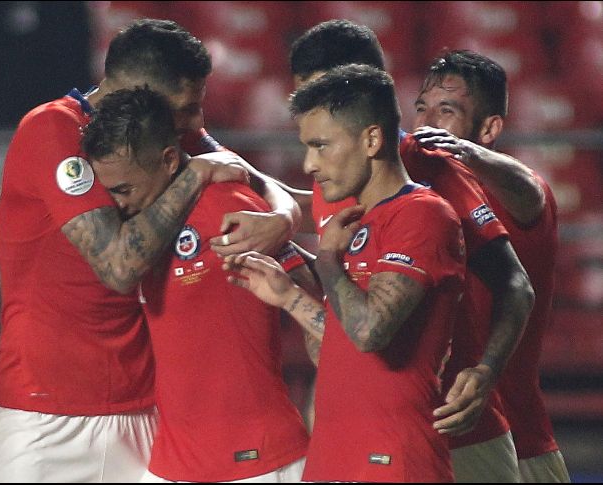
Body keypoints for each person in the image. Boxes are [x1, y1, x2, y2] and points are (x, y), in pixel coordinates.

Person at [0, 19, 298, 483]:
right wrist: (195, 175)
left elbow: (261, 183)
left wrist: (284, 220)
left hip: (144, 415)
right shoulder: (53, 130)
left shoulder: (165, 131)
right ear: (142, 90)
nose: (196, 123)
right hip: (42, 415)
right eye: (187, 108)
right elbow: (118, 265)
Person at [258, 20, 536, 483]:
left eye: (324, 101)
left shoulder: (436, 175)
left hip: (451, 427)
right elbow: (347, 300)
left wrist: (486, 371)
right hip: (359, 432)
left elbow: (515, 284)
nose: (310, 153)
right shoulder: (332, 179)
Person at [226, 64, 466, 482]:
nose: (308, 163)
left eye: (321, 146)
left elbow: (370, 331)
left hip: (393, 463)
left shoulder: (423, 216)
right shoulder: (360, 223)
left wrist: (327, 260)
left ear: (372, 139)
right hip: (333, 458)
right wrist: (290, 296)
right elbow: (343, 349)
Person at [82, 85, 310, 483]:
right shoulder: (135, 234)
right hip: (170, 466)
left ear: (169, 160)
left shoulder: (228, 205)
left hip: (258, 463)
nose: (117, 205)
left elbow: (305, 287)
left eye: (125, 189)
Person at [413, 50, 571, 483]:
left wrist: (467, 155)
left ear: (489, 128)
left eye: (446, 112)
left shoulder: (517, 191)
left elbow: (531, 194)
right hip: (437, 443)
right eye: (421, 109)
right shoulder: (414, 201)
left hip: (521, 447)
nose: (426, 125)